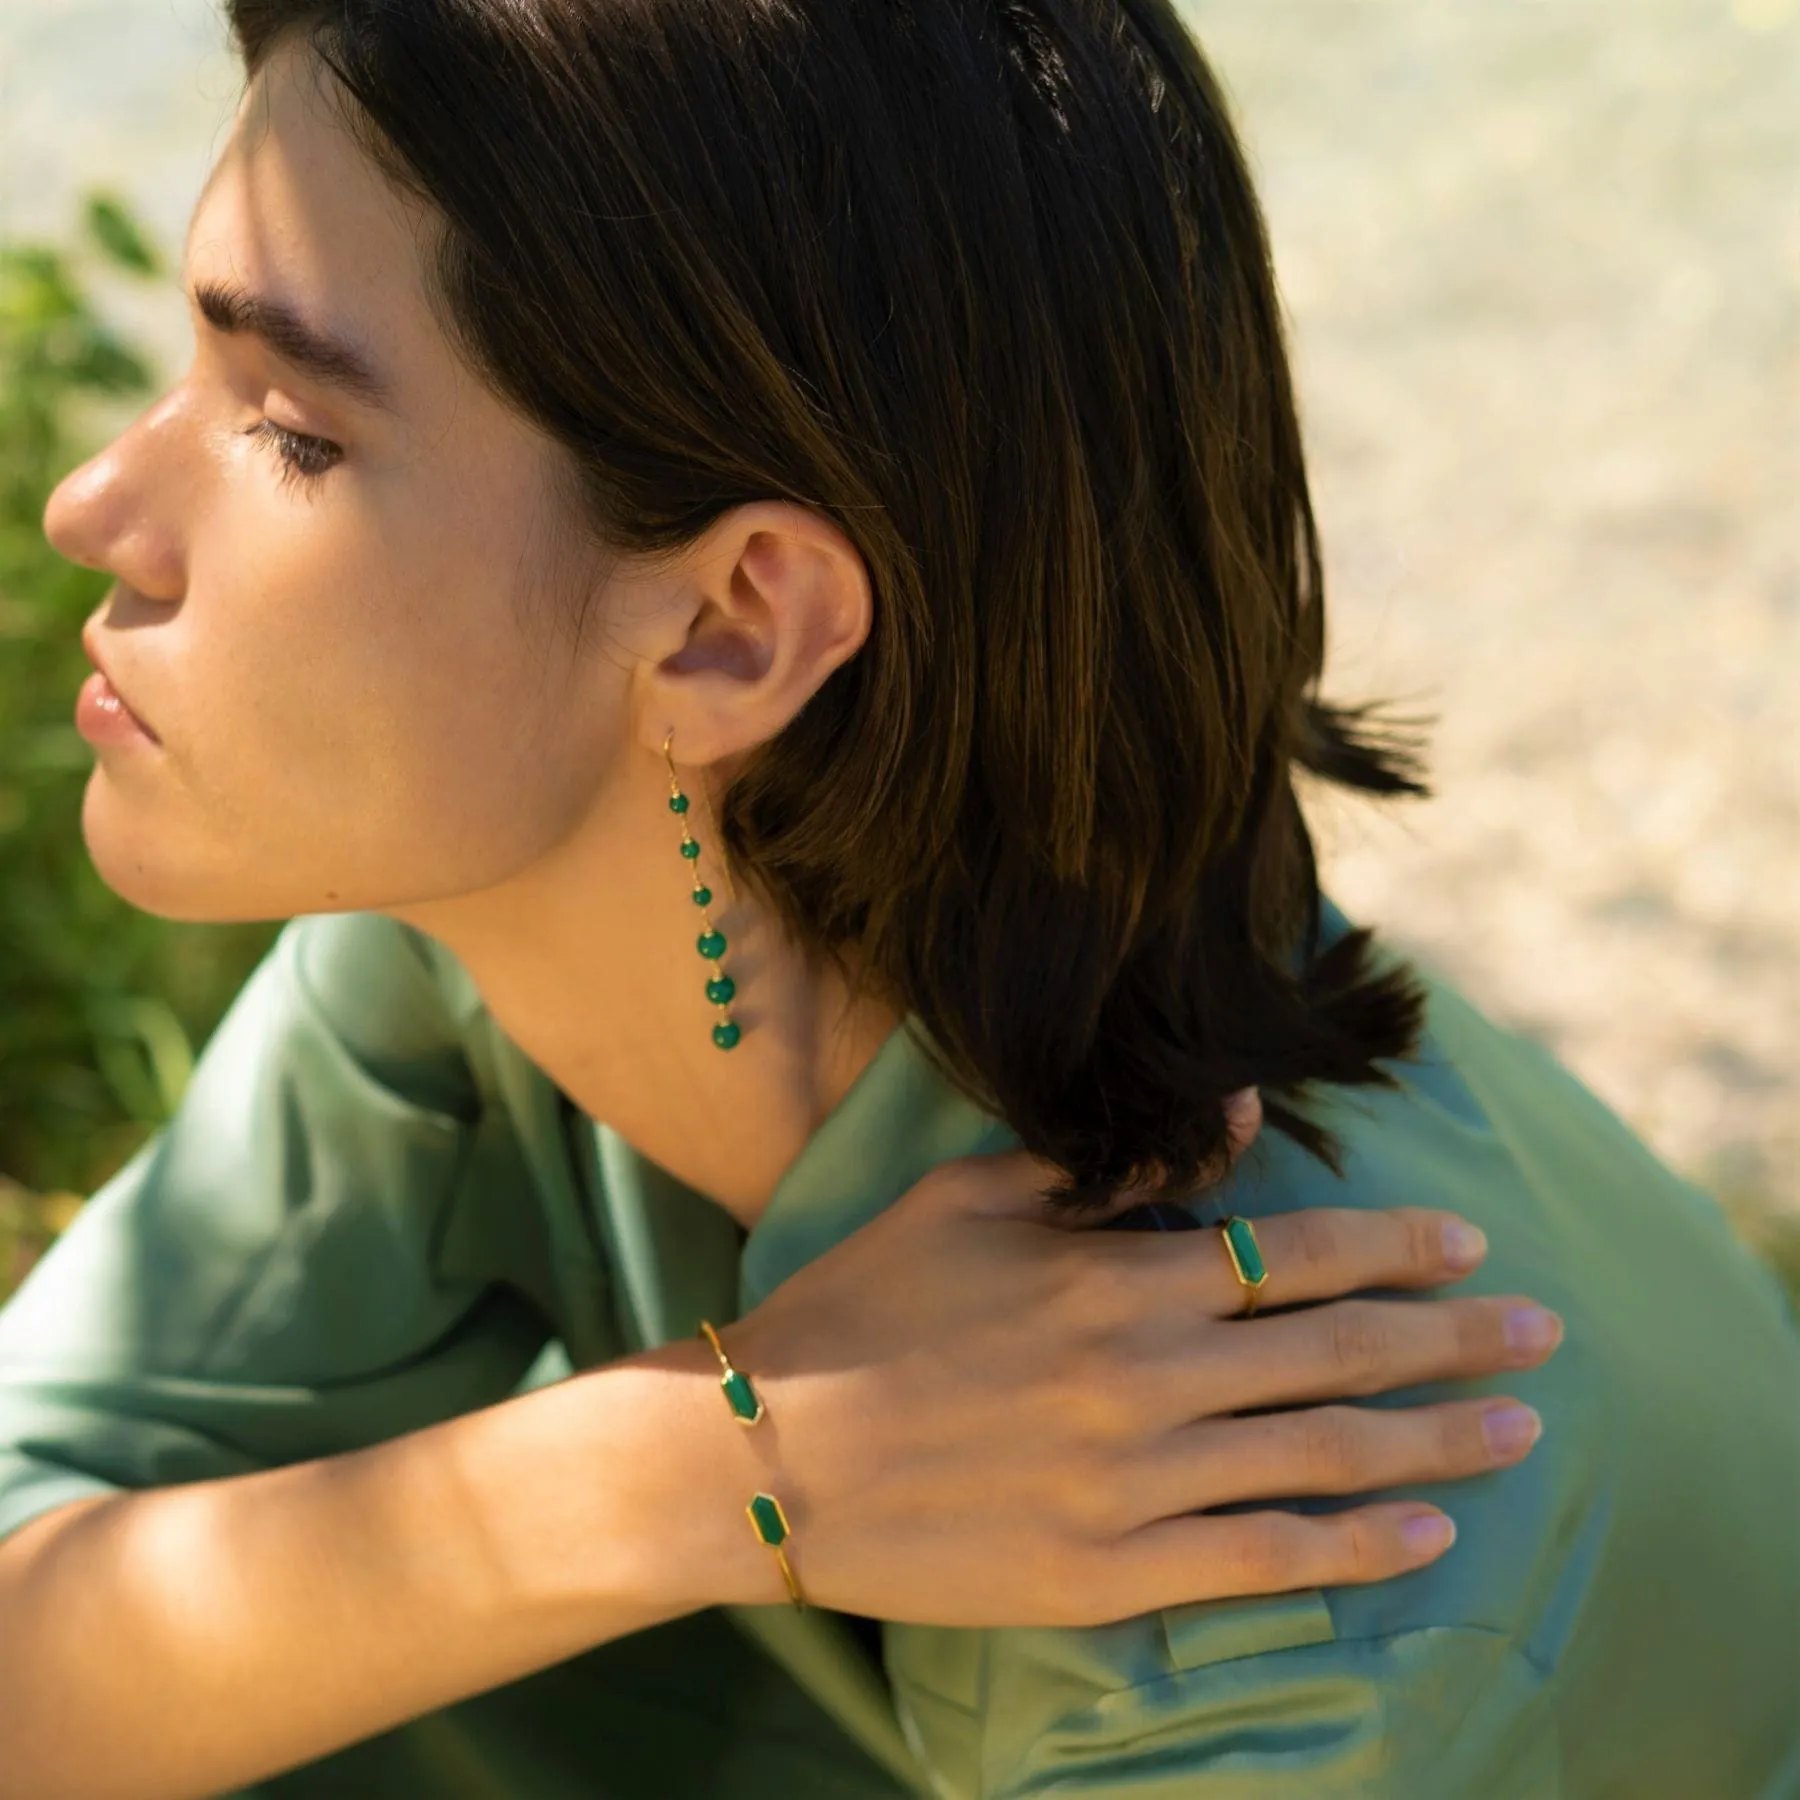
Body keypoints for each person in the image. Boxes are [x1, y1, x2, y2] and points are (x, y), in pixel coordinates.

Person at [1, 2, 1795, 1796]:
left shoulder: (1277, 1604)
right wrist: (717, 1466)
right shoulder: (493, 948)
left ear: (733, 628)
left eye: (292, 429)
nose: (95, 503)